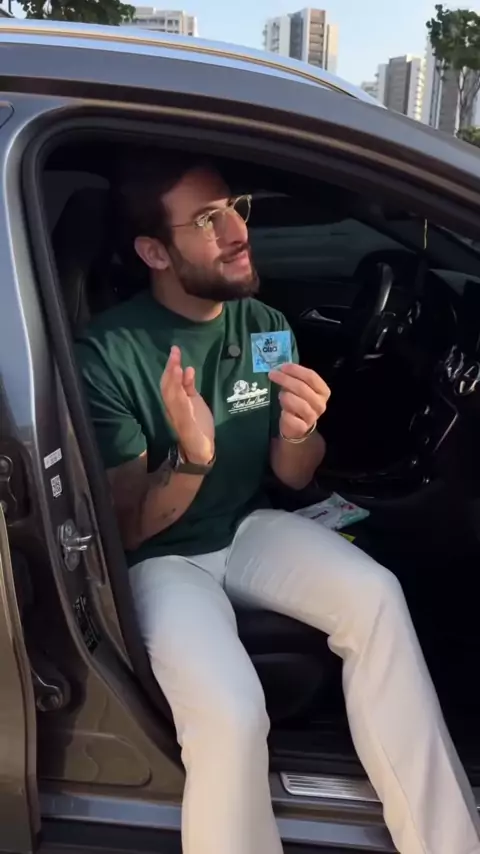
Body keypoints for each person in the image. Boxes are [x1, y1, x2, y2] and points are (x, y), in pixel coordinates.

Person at [75, 149, 480, 854]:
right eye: (208, 220)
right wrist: (194, 456)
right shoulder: (109, 351)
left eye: (236, 209)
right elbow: (132, 527)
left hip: (245, 528)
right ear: (154, 252)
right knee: (232, 714)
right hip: (163, 562)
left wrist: (301, 430)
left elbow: (293, 475)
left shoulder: (263, 324)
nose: (239, 232)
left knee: (377, 596)